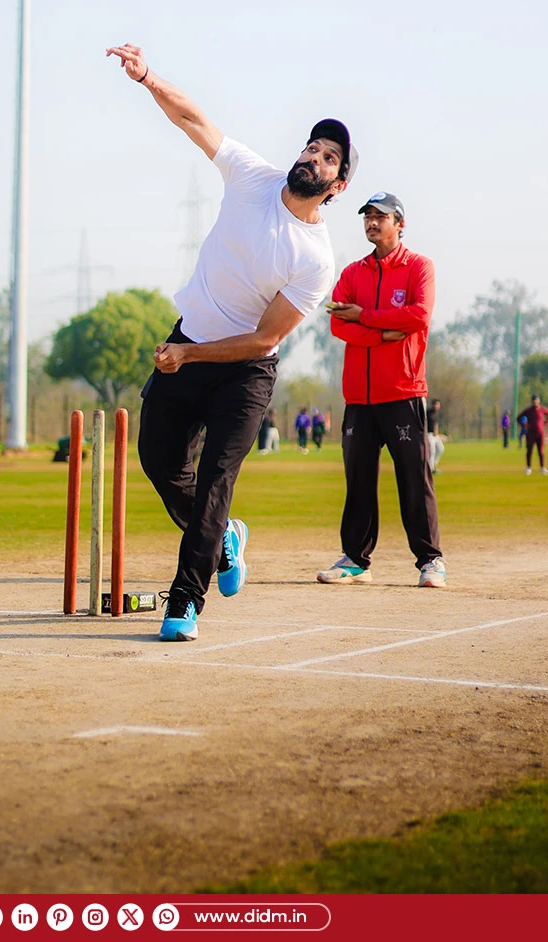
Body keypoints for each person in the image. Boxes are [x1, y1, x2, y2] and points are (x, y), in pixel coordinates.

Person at [107, 43, 356, 641]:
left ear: (337, 186)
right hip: (188, 342)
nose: (313, 158)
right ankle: (226, 540)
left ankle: (184, 603)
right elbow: (194, 118)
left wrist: (191, 355)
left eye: (328, 158)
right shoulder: (252, 175)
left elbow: (264, 338)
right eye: (311, 146)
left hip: (244, 374)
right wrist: (147, 79)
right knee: (159, 463)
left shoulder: (316, 260)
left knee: (217, 478)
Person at [317, 192, 446, 589]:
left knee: (413, 477)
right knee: (358, 479)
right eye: (368, 217)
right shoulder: (354, 273)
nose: (372, 223)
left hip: (403, 390)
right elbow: (338, 322)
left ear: (399, 223)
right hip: (359, 395)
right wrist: (383, 334)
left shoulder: (418, 267)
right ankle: (356, 559)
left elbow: (419, 315)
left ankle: (430, 560)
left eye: (381, 216)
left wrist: (365, 317)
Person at [517, 394, 548, 474]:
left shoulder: (542, 409)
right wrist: (524, 425)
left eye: (536, 400)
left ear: (538, 401)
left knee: (540, 451)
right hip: (530, 433)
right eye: (533, 400)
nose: (535, 402)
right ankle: (528, 467)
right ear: (532, 401)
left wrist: (545, 422)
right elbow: (519, 417)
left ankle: (542, 467)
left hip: (540, 433)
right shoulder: (528, 410)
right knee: (529, 450)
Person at [426, 398, 445, 473]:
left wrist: (437, 433)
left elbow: (436, 424)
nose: (437, 406)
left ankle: (434, 464)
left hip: (435, 435)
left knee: (441, 448)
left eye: (438, 404)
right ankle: (430, 468)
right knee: (432, 451)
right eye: (435, 404)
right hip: (428, 434)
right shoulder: (428, 413)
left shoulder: (437, 413)